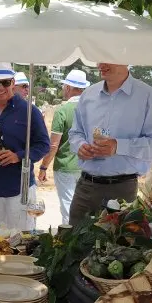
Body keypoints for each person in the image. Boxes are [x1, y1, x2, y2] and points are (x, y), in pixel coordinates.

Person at [68, 63, 152, 224]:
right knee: (72, 243)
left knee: (117, 247)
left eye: (107, 58)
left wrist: (118, 146)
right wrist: (80, 146)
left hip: (122, 190)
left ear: (125, 60)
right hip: (85, 189)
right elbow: (75, 132)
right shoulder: (88, 94)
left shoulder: (146, 96)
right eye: (99, 59)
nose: (100, 64)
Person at [0, 63, 50, 235]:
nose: (1, 87)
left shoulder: (30, 111)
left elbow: (43, 144)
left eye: (5, 82)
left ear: (13, 82)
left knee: (19, 242)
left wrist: (19, 156)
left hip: (18, 187)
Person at [38, 70, 90, 224]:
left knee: (68, 208)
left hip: (65, 166)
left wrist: (43, 166)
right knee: (84, 209)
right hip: (87, 166)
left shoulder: (62, 111)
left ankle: (70, 242)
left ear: (68, 88)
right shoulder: (91, 110)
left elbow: (54, 144)